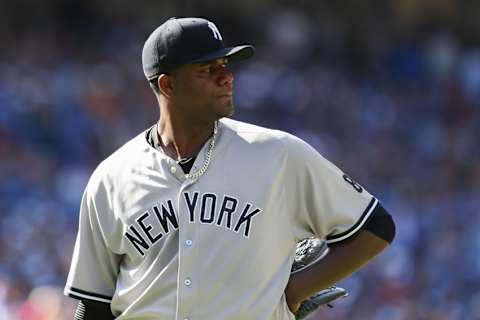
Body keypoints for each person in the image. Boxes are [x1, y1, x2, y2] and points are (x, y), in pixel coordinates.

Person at [64, 17, 395, 320]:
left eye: (225, 64)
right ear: (168, 85)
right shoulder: (112, 178)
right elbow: (93, 304)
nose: (226, 77)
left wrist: (292, 292)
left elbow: (375, 227)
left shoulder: (277, 153)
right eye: (207, 69)